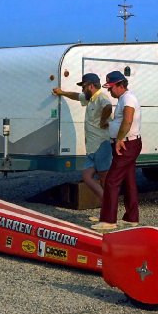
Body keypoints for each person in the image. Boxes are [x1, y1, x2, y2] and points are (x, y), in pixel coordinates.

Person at [91, 71, 142, 231]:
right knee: (129, 181)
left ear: (120, 85)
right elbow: (122, 120)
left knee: (112, 181)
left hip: (126, 144)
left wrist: (119, 139)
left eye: (111, 88)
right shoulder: (124, 98)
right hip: (129, 143)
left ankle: (108, 220)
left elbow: (127, 120)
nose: (109, 91)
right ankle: (131, 218)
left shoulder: (128, 98)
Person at [52, 73, 112, 201]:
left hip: (101, 145)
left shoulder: (101, 97)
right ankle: (107, 203)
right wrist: (61, 92)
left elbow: (108, 107)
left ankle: (108, 208)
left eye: (83, 87)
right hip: (91, 147)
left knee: (104, 178)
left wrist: (103, 120)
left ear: (90, 86)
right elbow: (76, 96)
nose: (82, 90)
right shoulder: (90, 98)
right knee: (86, 176)